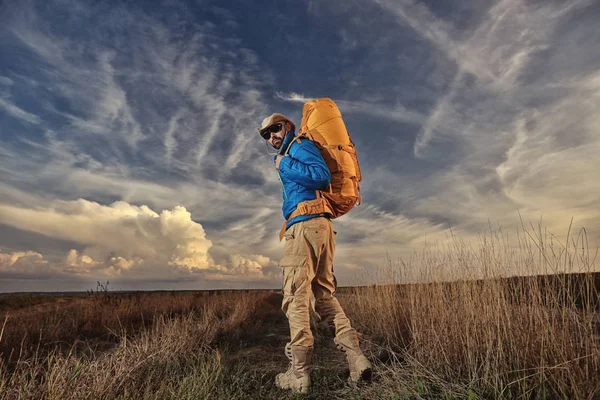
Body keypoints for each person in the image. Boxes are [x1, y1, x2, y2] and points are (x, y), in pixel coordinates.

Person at [257, 113, 372, 393]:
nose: (271, 136)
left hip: (305, 226)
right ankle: (357, 359)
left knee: (295, 297)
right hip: (320, 227)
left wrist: (284, 165)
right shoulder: (296, 148)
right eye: (265, 134)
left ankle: (299, 375)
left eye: (275, 128)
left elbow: (320, 177)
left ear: (287, 126)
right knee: (323, 296)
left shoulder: (298, 146)